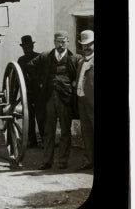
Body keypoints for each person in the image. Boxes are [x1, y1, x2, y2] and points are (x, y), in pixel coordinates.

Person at [32, 30, 79, 170]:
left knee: (65, 130)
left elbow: (79, 74)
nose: (61, 44)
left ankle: (62, 161)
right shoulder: (46, 56)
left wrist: (75, 82)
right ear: (54, 42)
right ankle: (47, 161)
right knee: (48, 131)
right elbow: (31, 66)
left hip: (66, 98)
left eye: (64, 41)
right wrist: (41, 81)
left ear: (68, 42)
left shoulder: (74, 58)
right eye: (58, 42)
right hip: (49, 98)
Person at [17, 34, 43, 148]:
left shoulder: (39, 57)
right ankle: (32, 140)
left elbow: (44, 74)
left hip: (39, 92)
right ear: (23, 48)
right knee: (29, 117)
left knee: (41, 117)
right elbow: (18, 77)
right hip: (27, 93)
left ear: (32, 46)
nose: (27, 48)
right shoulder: (21, 60)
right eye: (25, 47)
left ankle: (44, 139)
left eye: (29, 46)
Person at [76, 29, 94, 170]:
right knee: (86, 133)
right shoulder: (81, 61)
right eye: (84, 45)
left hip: (93, 103)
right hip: (82, 101)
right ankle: (89, 160)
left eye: (90, 44)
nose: (87, 48)